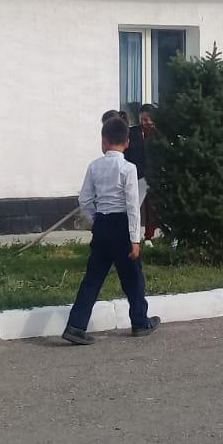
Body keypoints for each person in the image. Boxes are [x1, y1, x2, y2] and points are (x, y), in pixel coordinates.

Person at [60, 116, 161, 345]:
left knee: (92, 278)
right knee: (133, 277)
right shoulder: (128, 169)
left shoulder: (94, 166)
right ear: (127, 142)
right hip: (122, 226)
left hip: (102, 224)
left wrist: (96, 220)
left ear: (103, 141)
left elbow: (85, 199)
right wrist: (135, 239)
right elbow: (132, 206)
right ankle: (139, 321)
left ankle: (75, 326)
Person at [128, 103, 160, 242]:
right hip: (136, 175)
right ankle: (132, 237)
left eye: (147, 119)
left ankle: (149, 237)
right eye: (142, 119)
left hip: (155, 175)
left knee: (152, 207)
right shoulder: (132, 133)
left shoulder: (161, 134)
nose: (145, 123)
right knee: (134, 207)